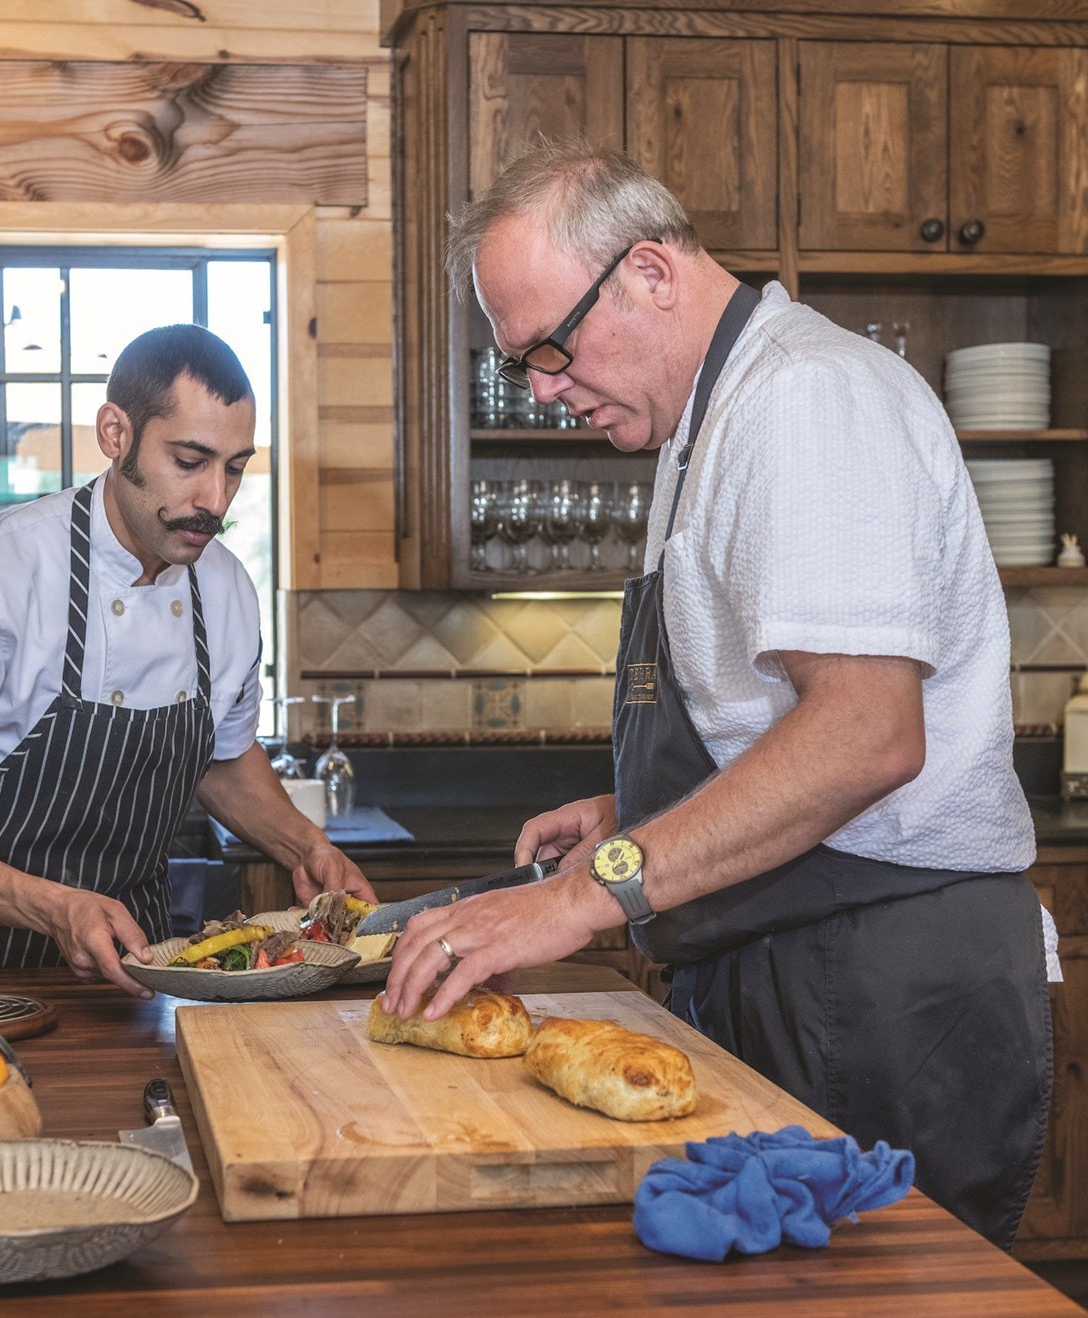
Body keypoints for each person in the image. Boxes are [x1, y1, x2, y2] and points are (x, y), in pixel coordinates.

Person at [378, 141, 1050, 1249]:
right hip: (796, 949)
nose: (542, 387)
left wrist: (585, 891)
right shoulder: (714, 420)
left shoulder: (803, 400)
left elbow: (865, 735)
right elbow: (776, 721)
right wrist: (632, 815)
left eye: (552, 345)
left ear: (648, 271)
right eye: (522, 364)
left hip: (875, 981)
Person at [0, 323, 375, 993]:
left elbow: (224, 759)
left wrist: (306, 847)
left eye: (234, 468)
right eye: (189, 461)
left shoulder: (228, 589)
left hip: (138, 982)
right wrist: (54, 906)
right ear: (115, 434)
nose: (215, 500)